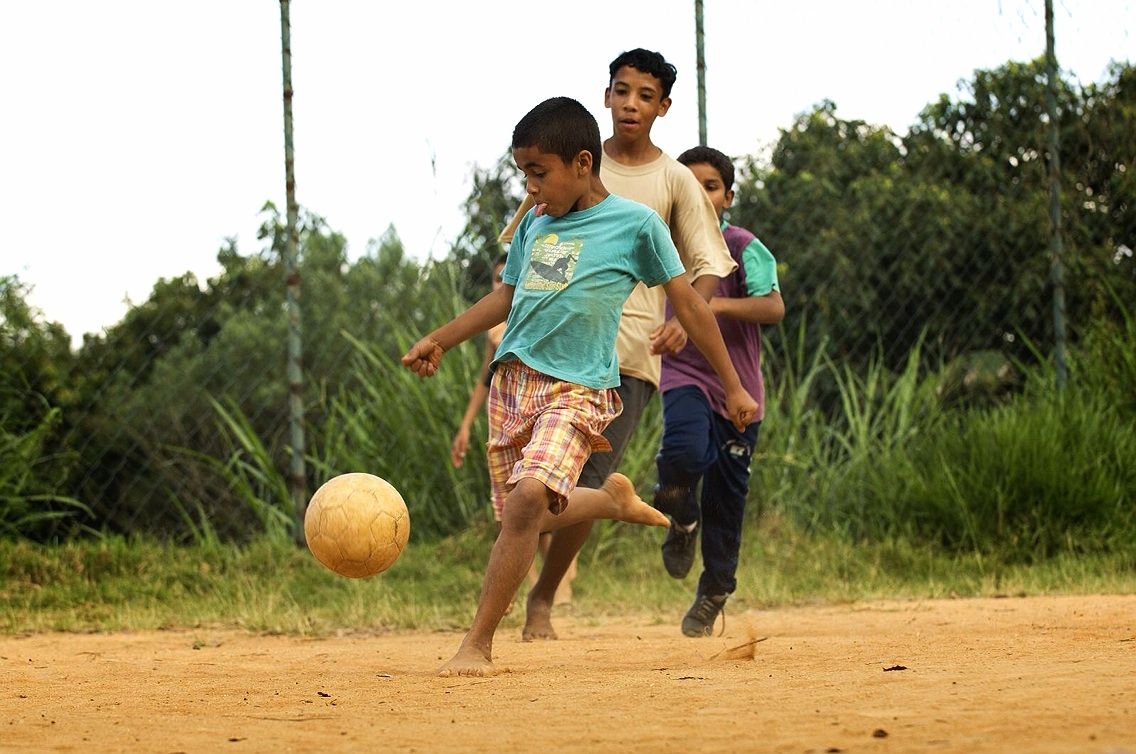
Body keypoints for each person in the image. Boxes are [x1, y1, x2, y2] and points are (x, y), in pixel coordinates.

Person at [402, 96, 757, 677]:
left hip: (579, 388)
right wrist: (441, 338)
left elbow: (689, 304)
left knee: (524, 506)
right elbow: (505, 298)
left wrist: (733, 385)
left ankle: (476, 645)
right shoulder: (534, 227)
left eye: (538, 173)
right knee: (521, 519)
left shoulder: (635, 225)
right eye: (523, 174)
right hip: (513, 385)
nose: (530, 188)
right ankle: (612, 502)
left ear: (583, 164)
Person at [501, 48, 736, 642]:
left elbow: (704, 267)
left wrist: (688, 319)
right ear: (606, 96)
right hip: (539, 356)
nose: (631, 104)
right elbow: (524, 263)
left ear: (663, 107)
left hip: (626, 358)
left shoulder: (673, 180)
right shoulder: (562, 159)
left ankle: (542, 600)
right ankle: (522, 595)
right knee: (528, 493)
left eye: (645, 95)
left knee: (573, 487)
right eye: (621, 90)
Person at [655, 145, 784, 636]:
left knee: (727, 498)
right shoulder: (663, 246)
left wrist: (708, 310)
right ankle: (680, 514)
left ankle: (714, 591)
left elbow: (773, 307)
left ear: (728, 196)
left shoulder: (745, 246)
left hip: (740, 390)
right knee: (682, 451)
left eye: (711, 186)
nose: (701, 195)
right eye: (690, 186)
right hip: (685, 374)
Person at [450, 253, 576, 607]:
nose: (501, 282)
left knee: (539, 492)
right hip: (503, 415)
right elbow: (484, 379)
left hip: (540, 410)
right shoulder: (494, 330)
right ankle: (530, 578)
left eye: (509, 275)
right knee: (509, 506)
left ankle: (560, 577)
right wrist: (464, 426)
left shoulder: (535, 316)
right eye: (497, 278)